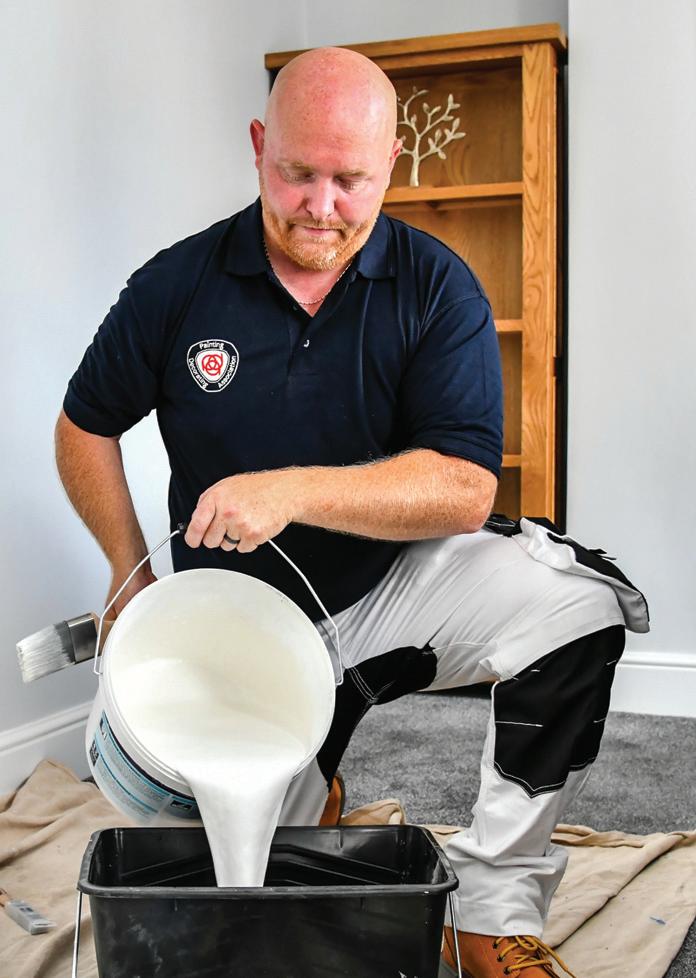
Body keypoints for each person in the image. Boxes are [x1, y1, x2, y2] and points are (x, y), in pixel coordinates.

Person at [55, 46, 649, 978]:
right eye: (298, 173)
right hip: (246, 632)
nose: (322, 207)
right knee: (248, 899)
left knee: (580, 605)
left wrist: (289, 490)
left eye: (351, 180)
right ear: (259, 146)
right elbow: (83, 426)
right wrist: (126, 577)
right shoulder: (175, 286)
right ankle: (314, 789)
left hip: (395, 588)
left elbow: (465, 489)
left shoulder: (437, 285)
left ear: (392, 164)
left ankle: (490, 910)